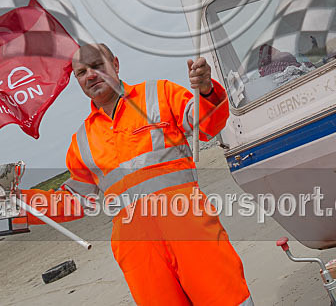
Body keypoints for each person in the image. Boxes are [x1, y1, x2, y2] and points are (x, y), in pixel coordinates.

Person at [17, 43, 253, 306]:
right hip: (140, 254)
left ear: (115, 64)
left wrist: (207, 90)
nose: (91, 75)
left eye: (97, 66)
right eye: (82, 72)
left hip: (192, 235)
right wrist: (17, 201)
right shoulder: (82, 140)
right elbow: (76, 200)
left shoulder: (159, 94)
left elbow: (206, 125)